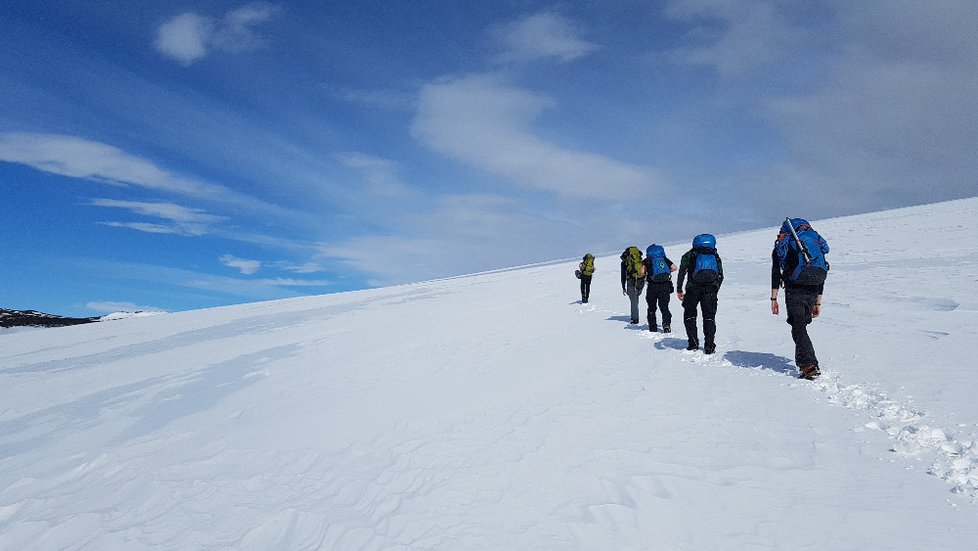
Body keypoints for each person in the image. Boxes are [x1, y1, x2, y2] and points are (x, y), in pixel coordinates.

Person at [771, 218, 830, 380]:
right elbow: (822, 269)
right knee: (801, 325)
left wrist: (773, 298)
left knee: (798, 326)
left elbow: (776, 272)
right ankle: (804, 363)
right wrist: (818, 301)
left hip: (794, 287)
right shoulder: (815, 242)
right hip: (814, 286)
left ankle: (809, 364)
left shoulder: (784, 243)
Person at [676, 234, 723, 353]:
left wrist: (679, 289)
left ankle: (693, 344)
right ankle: (709, 346)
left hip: (692, 289)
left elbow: (681, 273)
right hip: (710, 290)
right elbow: (721, 275)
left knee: (690, 315)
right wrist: (715, 289)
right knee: (709, 317)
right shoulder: (715, 255)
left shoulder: (688, 255)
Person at [643, 244, 677, 333]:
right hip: (665, 286)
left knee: (651, 307)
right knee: (664, 307)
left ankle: (653, 327)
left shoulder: (647, 261)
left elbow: (642, 272)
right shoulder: (664, 259)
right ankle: (666, 325)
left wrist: (647, 273)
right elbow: (674, 267)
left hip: (652, 286)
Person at [620, 246, 646, 324]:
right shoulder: (640, 259)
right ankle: (634, 315)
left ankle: (635, 319)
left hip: (631, 280)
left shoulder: (625, 262)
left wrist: (623, 286)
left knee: (633, 299)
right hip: (641, 280)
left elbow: (623, 275)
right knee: (636, 297)